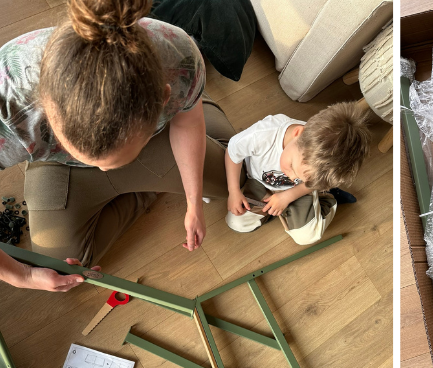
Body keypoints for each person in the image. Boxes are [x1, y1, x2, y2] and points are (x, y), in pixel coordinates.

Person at [0, 0, 236, 267]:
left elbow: (188, 125)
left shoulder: (179, 57)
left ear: (163, 99)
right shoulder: (8, 105)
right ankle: (147, 183)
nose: (103, 169)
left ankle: (193, 98)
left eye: (110, 162)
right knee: (58, 266)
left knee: (236, 178)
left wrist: (194, 204)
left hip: (158, 126)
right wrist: (23, 276)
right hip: (61, 165)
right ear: (45, 109)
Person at [224, 102, 371, 245]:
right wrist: (234, 191)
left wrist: (289, 196)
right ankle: (274, 212)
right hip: (260, 181)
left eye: (303, 178)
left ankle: (327, 197)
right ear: (297, 133)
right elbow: (232, 152)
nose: (293, 177)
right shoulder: (262, 135)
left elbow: (311, 184)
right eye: (292, 168)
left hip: (299, 191)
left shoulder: (312, 161)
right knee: (236, 221)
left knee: (308, 236)